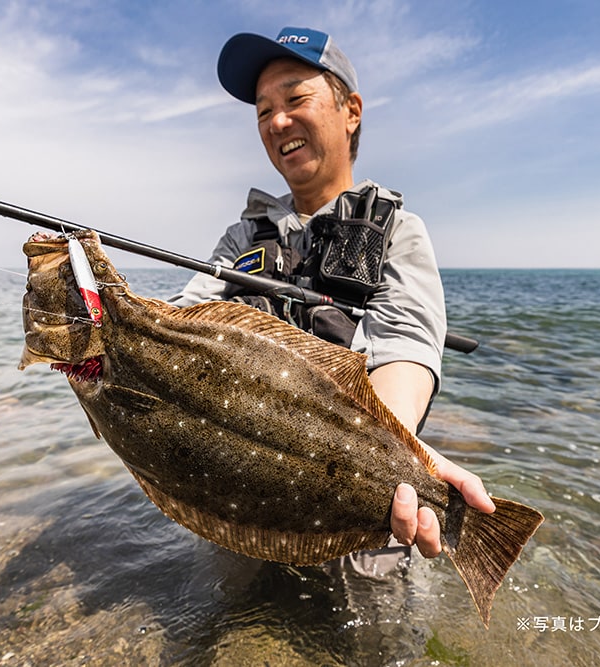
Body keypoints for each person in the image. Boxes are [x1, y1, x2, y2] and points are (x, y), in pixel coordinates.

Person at [169, 27, 495, 563]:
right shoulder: (241, 239)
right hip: (245, 496)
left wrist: (394, 455)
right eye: (262, 111)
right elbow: (180, 323)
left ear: (351, 110)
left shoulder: (399, 230)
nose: (277, 121)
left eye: (296, 98)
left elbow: (407, 344)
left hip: (359, 508)